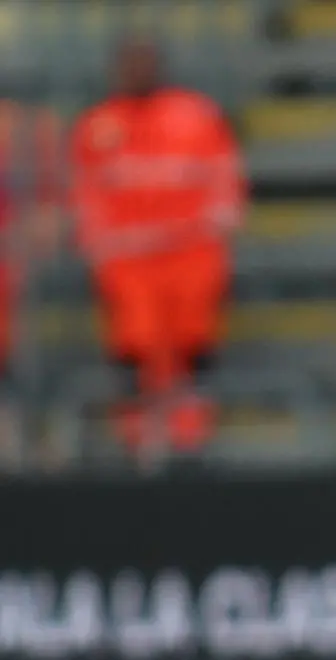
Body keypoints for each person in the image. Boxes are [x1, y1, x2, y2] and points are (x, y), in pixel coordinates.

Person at [68, 37, 243, 460]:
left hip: (189, 256)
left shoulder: (196, 115)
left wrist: (212, 224)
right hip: (129, 263)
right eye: (128, 62)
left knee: (191, 345)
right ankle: (137, 442)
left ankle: (192, 440)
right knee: (134, 346)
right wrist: (102, 244)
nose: (136, 71)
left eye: (143, 61)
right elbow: (85, 195)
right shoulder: (97, 125)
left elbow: (224, 181)